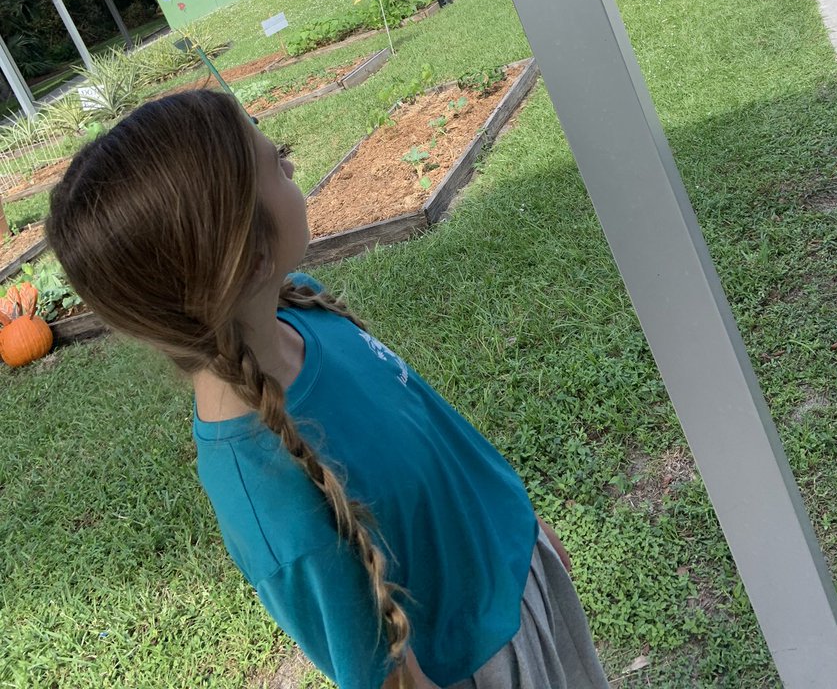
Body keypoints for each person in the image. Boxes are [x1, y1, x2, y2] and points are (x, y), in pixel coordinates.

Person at [46, 90, 611, 689]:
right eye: (277, 160)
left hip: (518, 579)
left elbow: (433, 431)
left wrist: (520, 526)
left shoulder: (302, 306)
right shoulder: (266, 492)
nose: (290, 163)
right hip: (488, 665)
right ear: (253, 256)